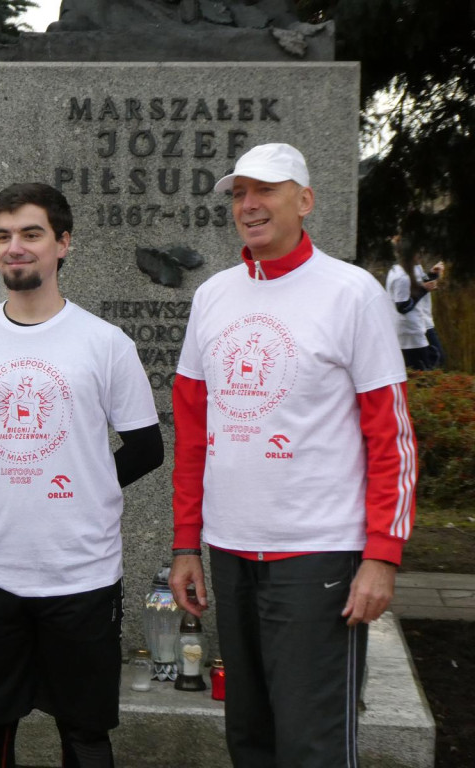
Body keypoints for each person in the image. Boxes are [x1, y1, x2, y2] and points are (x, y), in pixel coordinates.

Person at [169, 143, 417, 767]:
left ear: (304, 201)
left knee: (313, 745)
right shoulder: (213, 297)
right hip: (230, 552)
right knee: (249, 737)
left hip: (319, 555)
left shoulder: (352, 293)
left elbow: (391, 436)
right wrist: (184, 543)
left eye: (266, 191)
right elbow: (193, 431)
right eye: (238, 194)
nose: (249, 206)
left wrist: (382, 555)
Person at [0, 182, 164, 768]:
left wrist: (85, 483)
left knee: (86, 736)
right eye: (3, 235)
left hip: (81, 573)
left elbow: (146, 448)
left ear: (63, 243)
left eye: (32, 234)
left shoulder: (105, 343)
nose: (15, 247)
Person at [384, 236, 442, 370]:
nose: (420, 255)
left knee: (427, 368)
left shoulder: (405, 270)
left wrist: (430, 278)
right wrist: (424, 289)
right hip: (409, 331)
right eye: (418, 252)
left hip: (415, 327)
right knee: (423, 371)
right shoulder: (401, 276)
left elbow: (414, 288)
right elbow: (402, 306)